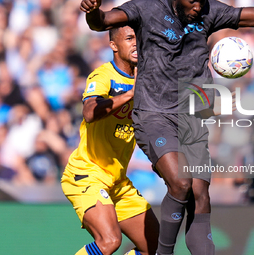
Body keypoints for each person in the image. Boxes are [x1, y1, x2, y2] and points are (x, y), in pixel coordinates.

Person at [79, 0, 254, 254]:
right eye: (192, 1)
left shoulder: (208, 10)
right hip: (154, 116)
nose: (198, 6)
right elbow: (102, 22)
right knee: (181, 182)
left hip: (192, 118)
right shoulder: (146, 8)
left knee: (200, 196)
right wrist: (92, 11)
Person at [61, 26, 159, 255]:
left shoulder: (148, 79)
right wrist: (129, 95)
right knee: (109, 241)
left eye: (139, 38)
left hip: (118, 181)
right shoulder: (103, 76)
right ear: (113, 45)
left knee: (154, 248)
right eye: (129, 38)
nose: (136, 43)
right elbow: (89, 111)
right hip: (88, 174)